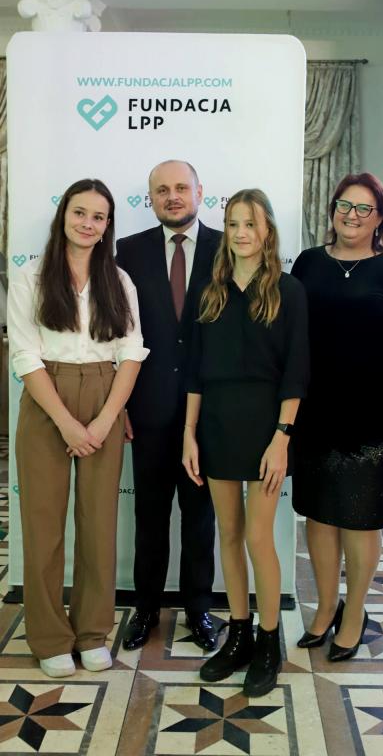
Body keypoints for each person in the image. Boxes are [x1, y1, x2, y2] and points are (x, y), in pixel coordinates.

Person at [8, 178, 148, 678]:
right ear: (63, 216)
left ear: (108, 226)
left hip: (106, 397)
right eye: (80, 213)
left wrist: (106, 419)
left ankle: (92, 633)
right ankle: (49, 637)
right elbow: (25, 356)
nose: (88, 223)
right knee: (43, 525)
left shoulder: (119, 281)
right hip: (47, 397)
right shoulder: (30, 277)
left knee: (98, 525)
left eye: (98, 217)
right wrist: (67, 424)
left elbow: (131, 353)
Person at [183, 188, 309, 697]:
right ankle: (238, 634)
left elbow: (297, 372)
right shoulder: (208, 290)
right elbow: (194, 371)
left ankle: (269, 640)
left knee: (259, 537)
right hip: (215, 425)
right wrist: (188, 434)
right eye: (233, 223)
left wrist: (282, 438)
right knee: (229, 534)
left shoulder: (289, 290)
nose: (240, 233)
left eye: (250, 224)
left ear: (267, 230)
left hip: (266, 429)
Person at [291, 173, 383, 661]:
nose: (352, 215)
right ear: (332, 210)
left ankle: (355, 612)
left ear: (380, 218)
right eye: (344, 205)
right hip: (315, 409)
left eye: (365, 208)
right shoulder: (308, 262)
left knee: (362, 519)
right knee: (320, 515)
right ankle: (326, 607)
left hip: (373, 414)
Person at [116, 160, 221, 652]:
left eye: (181, 187)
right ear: (151, 198)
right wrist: (119, 404)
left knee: (200, 517)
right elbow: (116, 331)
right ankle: (146, 608)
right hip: (149, 410)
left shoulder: (228, 247)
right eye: (162, 190)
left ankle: (200, 609)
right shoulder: (128, 250)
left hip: (210, 412)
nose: (172, 196)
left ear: (200, 191)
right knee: (151, 516)